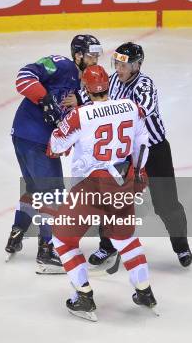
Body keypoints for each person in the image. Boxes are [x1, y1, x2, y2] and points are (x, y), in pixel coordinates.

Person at [47, 65, 157, 321]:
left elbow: (55, 144)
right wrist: (138, 170)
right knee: (125, 238)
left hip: (91, 186)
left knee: (63, 239)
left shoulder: (80, 114)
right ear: (107, 84)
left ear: (85, 88)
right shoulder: (131, 106)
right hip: (123, 182)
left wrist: (61, 131)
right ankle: (144, 291)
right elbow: (143, 143)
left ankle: (84, 297)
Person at [87, 43, 192, 269]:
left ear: (137, 65)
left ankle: (181, 244)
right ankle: (107, 245)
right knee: (112, 200)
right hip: (123, 152)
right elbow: (98, 102)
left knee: (166, 204)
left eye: (123, 64)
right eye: (116, 63)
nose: (118, 68)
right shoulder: (113, 80)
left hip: (154, 151)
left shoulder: (145, 85)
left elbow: (139, 111)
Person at [5, 35, 102, 274]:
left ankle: (16, 234)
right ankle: (46, 250)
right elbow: (24, 76)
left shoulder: (81, 85)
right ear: (78, 55)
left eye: (97, 56)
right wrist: (45, 99)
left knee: (34, 190)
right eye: (91, 55)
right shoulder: (61, 64)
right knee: (54, 193)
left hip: (27, 137)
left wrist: (76, 102)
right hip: (34, 138)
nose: (95, 60)